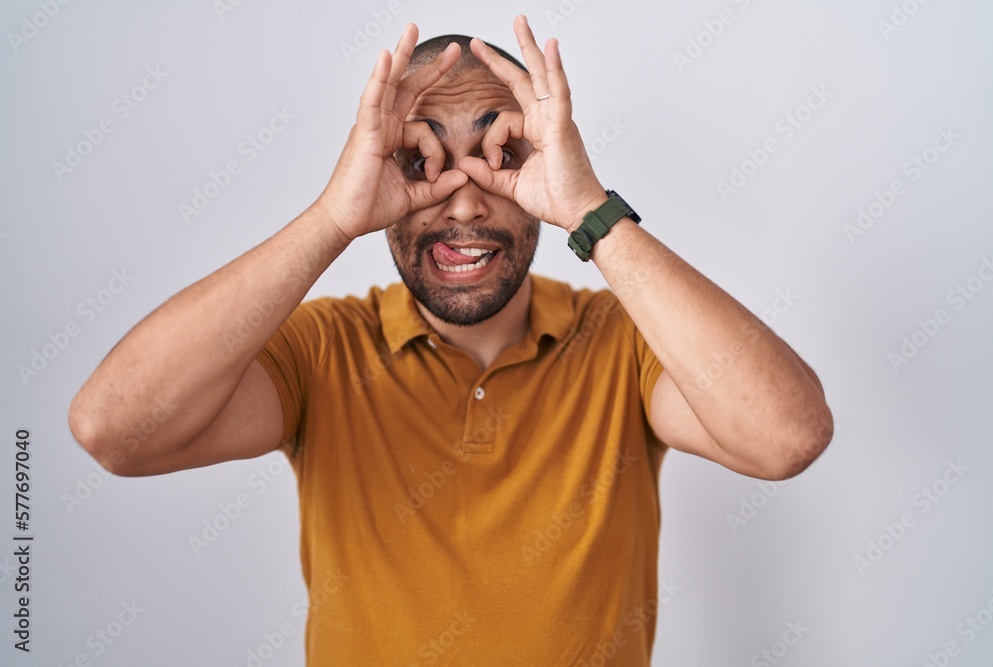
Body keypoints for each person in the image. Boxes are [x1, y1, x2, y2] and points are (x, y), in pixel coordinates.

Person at [69, 15, 833, 665]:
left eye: (502, 155)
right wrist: (332, 219)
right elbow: (113, 429)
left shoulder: (623, 345)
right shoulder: (325, 351)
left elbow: (788, 436)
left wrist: (589, 210)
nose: (464, 203)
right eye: (420, 157)